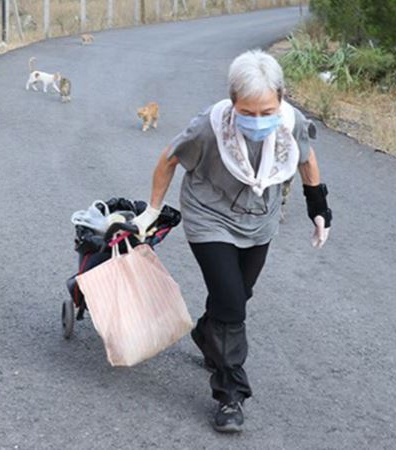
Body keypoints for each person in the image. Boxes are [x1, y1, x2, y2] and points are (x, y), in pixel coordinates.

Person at [132, 50, 332, 433]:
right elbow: (170, 158)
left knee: (240, 292)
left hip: (260, 220)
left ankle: (207, 332)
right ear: (233, 102)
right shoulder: (209, 126)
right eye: (248, 112)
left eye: (267, 111)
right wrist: (153, 210)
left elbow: (306, 158)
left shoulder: (290, 122)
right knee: (230, 301)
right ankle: (230, 394)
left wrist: (318, 207)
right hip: (210, 215)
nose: (258, 121)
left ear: (282, 98)